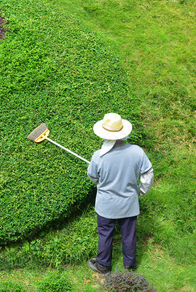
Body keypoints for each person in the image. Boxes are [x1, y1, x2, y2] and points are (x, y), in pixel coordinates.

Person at [86, 113, 154, 274]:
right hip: (129, 204)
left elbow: (92, 176)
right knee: (129, 235)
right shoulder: (137, 151)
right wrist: (141, 190)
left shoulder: (98, 156)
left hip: (105, 205)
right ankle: (129, 265)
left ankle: (103, 265)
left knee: (105, 234)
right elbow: (148, 174)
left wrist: (102, 183)